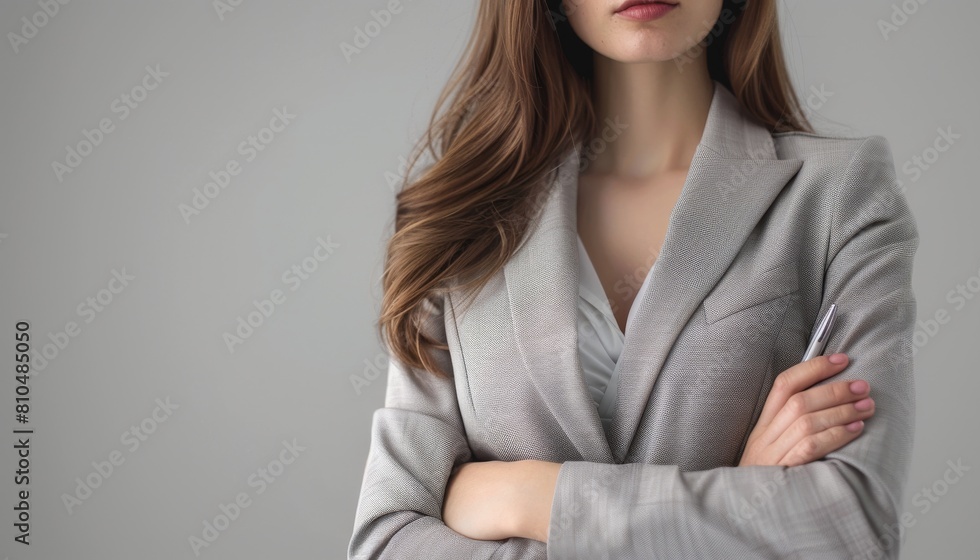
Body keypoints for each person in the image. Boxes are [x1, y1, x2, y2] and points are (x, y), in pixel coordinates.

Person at [349, 1, 918, 558]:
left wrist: (526, 494)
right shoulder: (454, 218)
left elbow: (855, 525)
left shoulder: (840, 195)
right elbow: (387, 541)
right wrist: (730, 513)